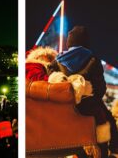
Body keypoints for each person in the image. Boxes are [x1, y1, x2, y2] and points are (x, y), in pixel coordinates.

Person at [49, 26, 118, 158]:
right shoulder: (93, 59)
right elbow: (100, 88)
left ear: (69, 42)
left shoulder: (57, 60)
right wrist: (90, 94)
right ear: (85, 42)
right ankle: (112, 150)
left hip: (65, 108)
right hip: (89, 107)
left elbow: (51, 79)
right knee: (109, 122)